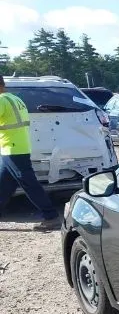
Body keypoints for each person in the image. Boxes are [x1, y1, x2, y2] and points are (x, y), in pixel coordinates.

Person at [0, 76, 62, 231]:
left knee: (30, 185)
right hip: (16, 147)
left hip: (12, 149)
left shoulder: (1, 101)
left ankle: (51, 216)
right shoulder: (15, 99)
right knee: (3, 186)